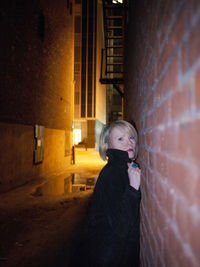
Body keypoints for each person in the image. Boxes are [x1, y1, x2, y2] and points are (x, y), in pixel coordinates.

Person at [71, 120, 141, 267]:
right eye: (120, 139)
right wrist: (133, 189)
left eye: (131, 137)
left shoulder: (123, 168)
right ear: (107, 145)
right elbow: (121, 226)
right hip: (110, 257)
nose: (129, 143)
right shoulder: (113, 174)